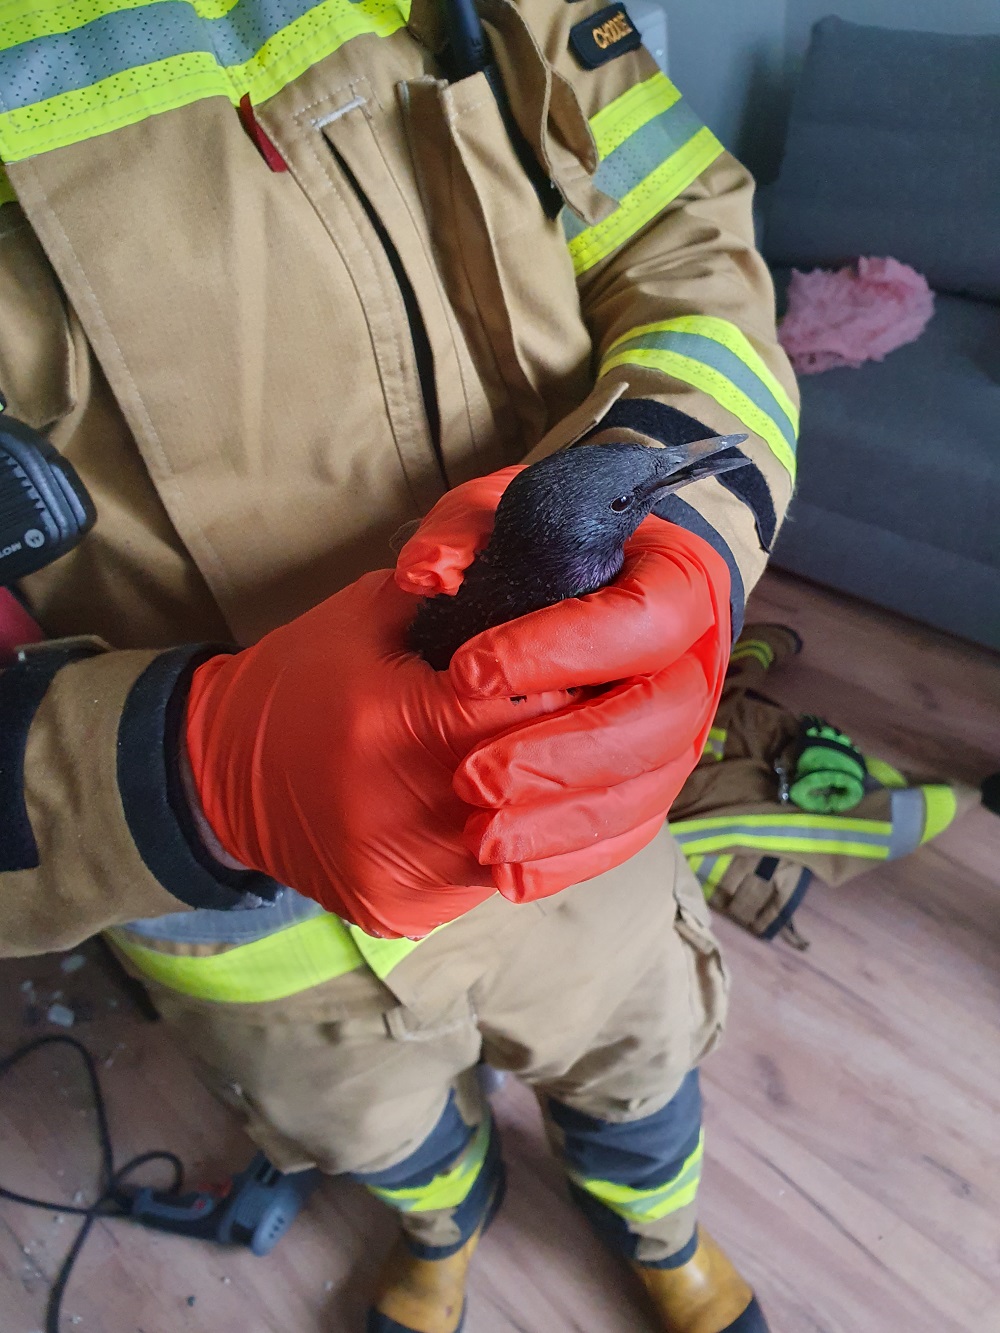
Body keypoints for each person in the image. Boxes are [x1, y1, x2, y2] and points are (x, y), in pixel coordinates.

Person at [0, 0, 798, 1328]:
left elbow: (678, 226)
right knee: (364, 1120)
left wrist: (686, 515)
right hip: (222, 906)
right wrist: (185, 771)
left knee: (638, 1052)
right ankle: (443, 1231)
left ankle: (661, 1236)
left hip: (569, 802)